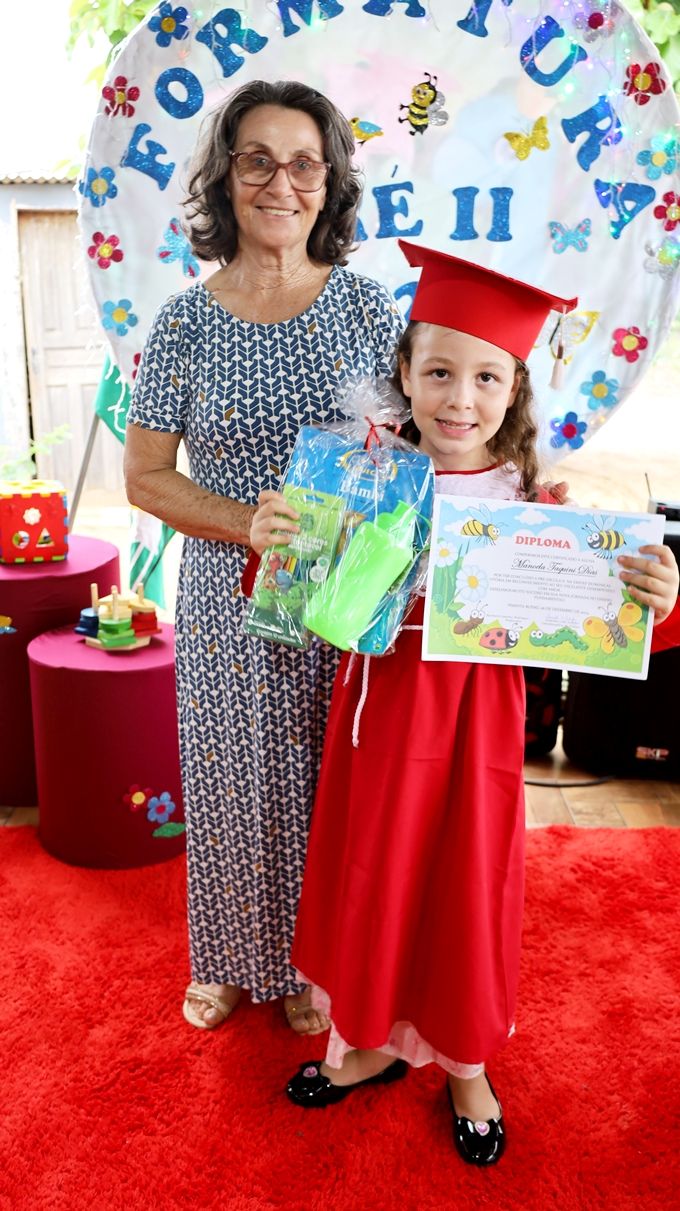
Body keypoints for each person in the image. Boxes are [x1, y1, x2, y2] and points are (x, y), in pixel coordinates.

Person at [269, 241, 680, 1164]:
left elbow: (621, 623)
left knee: (462, 888)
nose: (460, 398)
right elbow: (297, 589)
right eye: (439, 372)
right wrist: (279, 535)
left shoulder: (537, 503)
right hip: (377, 721)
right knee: (375, 876)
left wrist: (657, 593)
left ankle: (465, 1064)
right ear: (406, 374)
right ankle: (370, 1042)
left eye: (486, 377)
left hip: (473, 733)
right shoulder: (366, 472)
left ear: (515, 387)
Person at [124, 80, 403, 1034]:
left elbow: (416, 452)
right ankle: (230, 960)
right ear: (225, 176)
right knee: (229, 778)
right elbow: (145, 478)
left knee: (331, 782)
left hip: (343, 593)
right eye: (257, 160)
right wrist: (245, 522)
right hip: (224, 590)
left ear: (329, 183)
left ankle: (311, 963)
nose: (281, 183)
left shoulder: (368, 309)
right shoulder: (183, 323)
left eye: (303, 164)